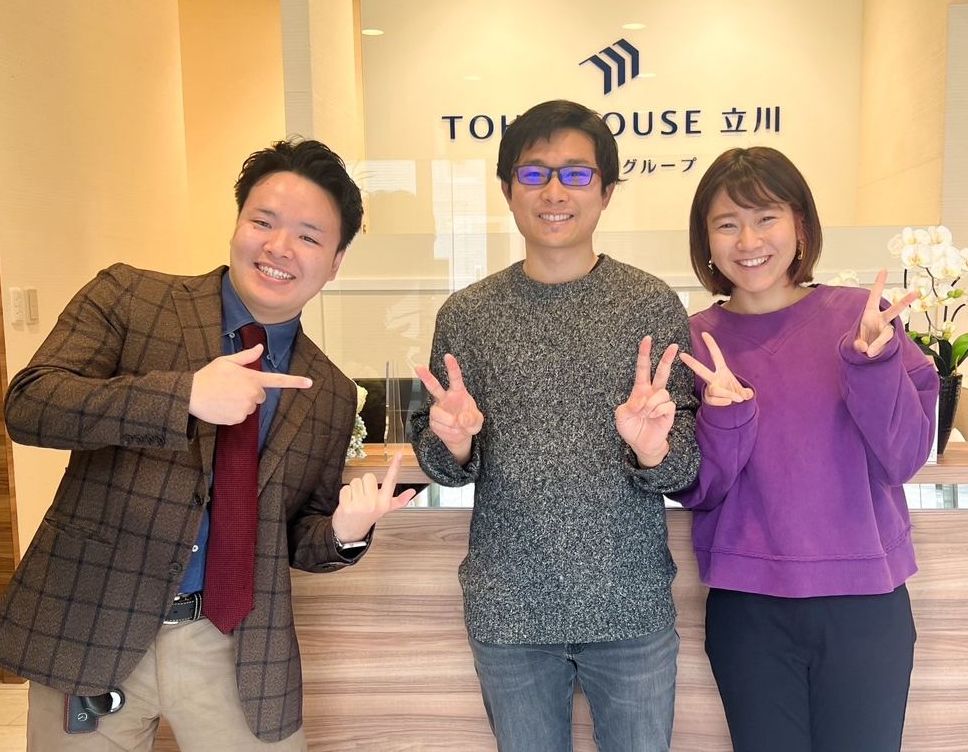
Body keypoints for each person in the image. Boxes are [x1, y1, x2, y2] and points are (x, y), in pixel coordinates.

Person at [0, 138, 415, 751]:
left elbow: (297, 533)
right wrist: (183, 396)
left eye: (308, 236)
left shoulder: (327, 390)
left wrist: (344, 532)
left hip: (234, 643)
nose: (279, 247)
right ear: (237, 223)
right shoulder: (132, 298)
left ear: (336, 261)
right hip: (95, 622)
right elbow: (31, 405)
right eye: (263, 222)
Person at [409, 99, 700, 752]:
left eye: (575, 174)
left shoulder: (651, 305)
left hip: (629, 605)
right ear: (507, 188)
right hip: (509, 609)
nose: (554, 192)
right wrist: (453, 444)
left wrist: (653, 450)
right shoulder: (468, 315)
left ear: (606, 190)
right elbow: (441, 462)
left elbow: (683, 466)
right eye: (534, 173)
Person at [673, 146, 938, 752]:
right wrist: (726, 416)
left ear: (800, 225)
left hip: (865, 601)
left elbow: (905, 457)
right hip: (748, 609)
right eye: (727, 224)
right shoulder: (695, 342)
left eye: (765, 217)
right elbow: (695, 487)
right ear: (705, 241)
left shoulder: (863, 320)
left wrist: (873, 366)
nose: (748, 240)